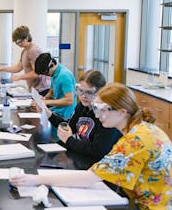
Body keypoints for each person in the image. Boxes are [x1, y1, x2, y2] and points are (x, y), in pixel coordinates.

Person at [10, 83, 172, 210]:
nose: (97, 115)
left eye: (102, 110)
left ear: (122, 112)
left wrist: (34, 179)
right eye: (96, 108)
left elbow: (89, 178)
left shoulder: (135, 140)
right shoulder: (142, 129)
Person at [40, 70, 122, 162]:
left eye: (89, 92)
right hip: (82, 157)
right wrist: (49, 115)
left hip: (98, 162)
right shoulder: (82, 107)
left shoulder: (107, 115)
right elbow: (70, 127)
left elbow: (98, 150)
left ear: (100, 92)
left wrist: (69, 140)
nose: (83, 96)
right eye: (80, 91)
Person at [0, 25, 50, 95]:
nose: (18, 44)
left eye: (19, 41)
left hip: (41, 89)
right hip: (34, 88)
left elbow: (36, 73)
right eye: (16, 42)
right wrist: (2, 68)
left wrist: (19, 77)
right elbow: (18, 67)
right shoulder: (24, 51)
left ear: (26, 38)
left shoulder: (33, 51)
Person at [35, 52, 77, 140]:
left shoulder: (64, 76)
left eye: (46, 72)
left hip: (65, 116)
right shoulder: (55, 74)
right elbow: (52, 91)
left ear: (52, 64)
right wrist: (44, 98)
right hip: (57, 111)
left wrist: (46, 102)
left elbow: (69, 100)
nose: (46, 75)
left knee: (50, 140)